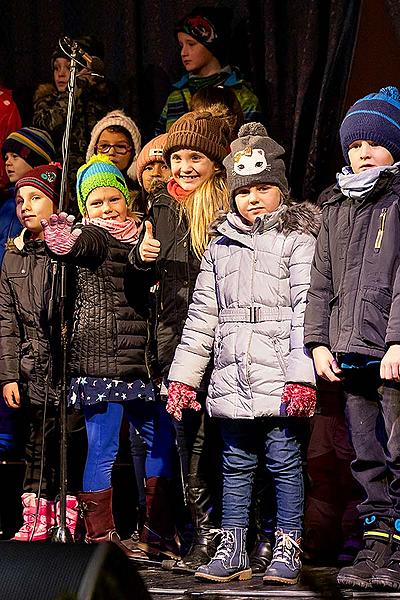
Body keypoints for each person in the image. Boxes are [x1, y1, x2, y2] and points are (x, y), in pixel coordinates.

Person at [166, 122, 320, 584]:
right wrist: (185, 378)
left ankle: (287, 542)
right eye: (243, 190)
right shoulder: (219, 247)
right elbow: (201, 317)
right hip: (234, 375)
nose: (252, 198)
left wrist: (300, 377)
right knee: (233, 462)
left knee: (284, 459)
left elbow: (304, 312)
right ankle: (234, 544)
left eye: (263, 188)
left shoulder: (298, 240)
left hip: (279, 375)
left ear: (281, 191)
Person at [42, 155, 178, 559]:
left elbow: (141, 266)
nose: (106, 209)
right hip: (101, 359)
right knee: (104, 448)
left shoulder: (141, 233)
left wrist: (147, 252)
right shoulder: (95, 237)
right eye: (96, 203)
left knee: (159, 439)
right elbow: (72, 246)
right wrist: (60, 232)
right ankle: (100, 536)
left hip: (139, 360)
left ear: (125, 197)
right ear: (86, 209)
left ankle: (156, 531)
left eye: (112, 199)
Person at [304, 86, 400, 592]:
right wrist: (318, 342)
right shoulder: (335, 205)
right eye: (354, 144)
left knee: (399, 448)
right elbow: (321, 281)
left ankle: (399, 544)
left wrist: (398, 343)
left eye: (374, 143)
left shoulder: (398, 199)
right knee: (366, 453)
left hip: (390, 352)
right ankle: (377, 540)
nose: (362, 153)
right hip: (350, 349)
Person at [132, 105, 231, 570]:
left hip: (225, 343)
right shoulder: (162, 206)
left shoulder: (227, 208)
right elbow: (147, 286)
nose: (184, 167)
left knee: (221, 444)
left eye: (196, 157)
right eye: (177, 158)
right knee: (185, 439)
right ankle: (204, 535)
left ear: (215, 163)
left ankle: (234, 538)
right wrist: (141, 256)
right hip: (175, 343)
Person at [0, 163, 80, 542]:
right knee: (35, 442)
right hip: (32, 368)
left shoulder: (69, 249)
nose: (26, 206)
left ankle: (67, 511)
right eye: (20, 200)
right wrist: (9, 374)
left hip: (70, 365)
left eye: (36, 198)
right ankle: (35, 515)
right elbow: (7, 320)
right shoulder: (13, 255)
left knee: (68, 436)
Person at [33, 36, 113, 213]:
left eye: (69, 68)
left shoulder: (101, 100)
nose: (61, 74)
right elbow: (51, 124)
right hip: (59, 183)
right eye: (56, 68)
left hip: (93, 179)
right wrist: (76, 87)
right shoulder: (47, 100)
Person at [156, 6, 262, 134]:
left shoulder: (241, 96)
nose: (183, 53)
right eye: (181, 45)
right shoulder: (176, 98)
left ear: (212, 44)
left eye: (191, 44)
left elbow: (253, 144)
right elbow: (159, 142)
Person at [85, 110, 143, 214]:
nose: (111, 152)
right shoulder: (84, 188)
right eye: (104, 146)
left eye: (121, 146)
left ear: (134, 152)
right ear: (94, 150)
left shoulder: (141, 195)